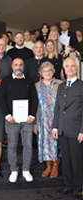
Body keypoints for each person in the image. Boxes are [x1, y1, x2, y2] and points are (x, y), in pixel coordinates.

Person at [0, 58, 38, 183]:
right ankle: (14, 170)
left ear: (24, 66)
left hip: (27, 120)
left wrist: (32, 115)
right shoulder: (6, 80)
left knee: (27, 145)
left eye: (21, 64)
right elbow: (1, 99)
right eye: (16, 64)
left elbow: (34, 99)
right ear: (12, 66)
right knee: (12, 146)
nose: (18, 67)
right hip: (12, 120)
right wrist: (7, 115)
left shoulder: (29, 81)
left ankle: (26, 170)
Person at [52, 58, 83, 200]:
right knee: (66, 160)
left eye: (72, 66)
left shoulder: (82, 85)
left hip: (77, 130)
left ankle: (77, 188)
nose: (70, 69)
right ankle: (68, 185)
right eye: (67, 66)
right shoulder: (61, 86)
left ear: (76, 68)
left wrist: (82, 130)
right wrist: (55, 127)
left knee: (77, 160)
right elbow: (57, 108)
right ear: (64, 69)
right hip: (63, 129)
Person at [34, 62, 62, 178]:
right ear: (41, 73)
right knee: (44, 144)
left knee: (57, 144)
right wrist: (35, 123)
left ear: (53, 71)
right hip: (42, 120)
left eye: (49, 70)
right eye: (45, 71)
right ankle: (48, 166)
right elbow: (35, 105)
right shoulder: (36, 85)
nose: (47, 73)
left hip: (56, 119)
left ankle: (56, 166)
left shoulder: (60, 84)